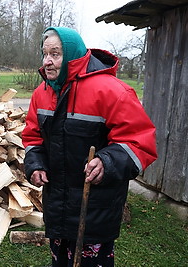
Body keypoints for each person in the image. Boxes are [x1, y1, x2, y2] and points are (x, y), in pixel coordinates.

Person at [22, 27, 157, 267]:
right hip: (57, 206)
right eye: (45, 54)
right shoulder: (41, 94)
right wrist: (35, 164)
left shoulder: (113, 91)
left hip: (94, 209)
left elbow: (140, 142)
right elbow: (32, 138)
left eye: (55, 54)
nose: (47, 61)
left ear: (73, 55)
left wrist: (107, 162)